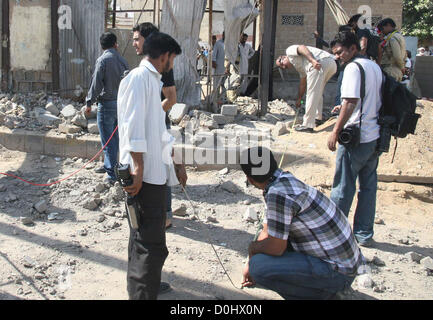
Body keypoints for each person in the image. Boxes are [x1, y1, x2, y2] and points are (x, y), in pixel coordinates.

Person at [240, 146, 365, 300]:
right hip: (346, 264)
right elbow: (267, 229)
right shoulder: (283, 180)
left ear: (250, 178)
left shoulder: (278, 194)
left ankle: (328, 295)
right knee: (258, 259)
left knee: (259, 267)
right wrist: (249, 260)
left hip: (339, 273)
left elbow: (276, 247)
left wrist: (253, 251)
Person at [117, 31, 187, 300]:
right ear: (166, 56)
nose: (172, 64)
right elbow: (133, 128)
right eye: (173, 59)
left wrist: (177, 162)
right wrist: (138, 168)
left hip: (152, 176)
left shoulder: (151, 81)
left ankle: (142, 289)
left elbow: (158, 132)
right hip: (143, 179)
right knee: (150, 245)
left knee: (144, 241)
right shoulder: (138, 79)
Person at [328, 31, 383, 247]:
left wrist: (335, 130)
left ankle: (334, 235)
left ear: (353, 48)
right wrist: (342, 108)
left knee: (343, 186)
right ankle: (364, 234)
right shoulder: (373, 66)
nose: (338, 57)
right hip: (374, 136)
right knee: (368, 187)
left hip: (356, 138)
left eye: (341, 52)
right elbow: (367, 99)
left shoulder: (352, 68)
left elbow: (351, 102)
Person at [132, 22, 177, 230]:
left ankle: (165, 215)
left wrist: (154, 116)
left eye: (137, 38)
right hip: (152, 129)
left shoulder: (162, 65)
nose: (134, 43)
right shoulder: (143, 71)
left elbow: (171, 98)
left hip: (159, 129)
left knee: (161, 170)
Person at [86, 32, 129, 185]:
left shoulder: (102, 60)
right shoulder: (123, 61)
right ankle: (109, 165)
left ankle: (112, 175)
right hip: (121, 106)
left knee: (107, 140)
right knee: (116, 138)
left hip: (106, 105)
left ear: (101, 45)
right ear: (115, 44)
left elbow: (96, 83)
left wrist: (89, 102)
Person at [276, 45, 337, 132]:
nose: (283, 67)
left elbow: (302, 48)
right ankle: (317, 118)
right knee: (317, 91)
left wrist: (312, 61)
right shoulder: (300, 67)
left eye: (281, 63)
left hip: (319, 63)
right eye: (281, 67)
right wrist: (299, 99)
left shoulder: (289, 51)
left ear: (284, 57)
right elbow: (302, 84)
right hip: (330, 64)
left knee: (311, 93)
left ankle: (308, 124)